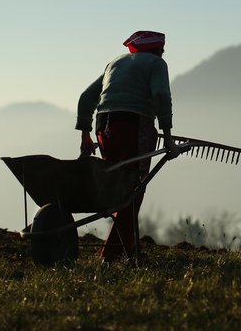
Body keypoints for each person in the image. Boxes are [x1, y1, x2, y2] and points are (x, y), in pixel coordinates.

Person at [76, 30, 180, 261]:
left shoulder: (115, 63)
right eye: (161, 50)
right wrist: (169, 137)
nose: (163, 53)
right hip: (134, 125)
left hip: (104, 126)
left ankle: (129, 250)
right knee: (133, 189)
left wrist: (85, 135)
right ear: (156, 50)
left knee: (118, 185)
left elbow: (86, 97)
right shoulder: (156, 64)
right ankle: (112, 255)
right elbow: (161, 95)